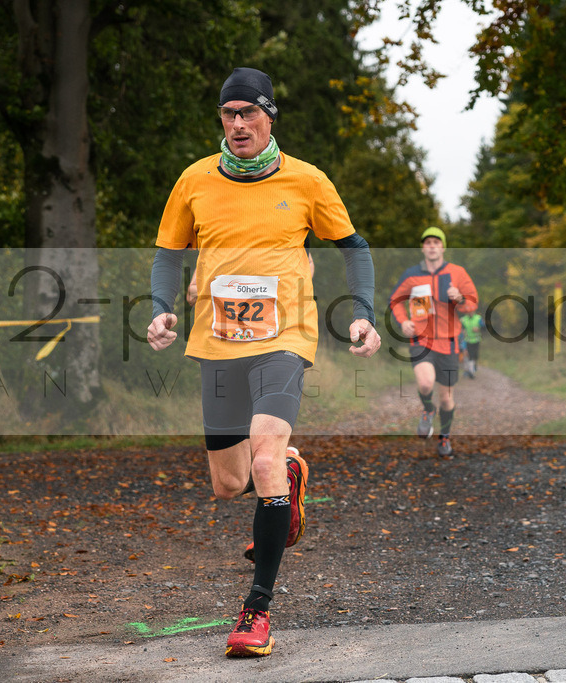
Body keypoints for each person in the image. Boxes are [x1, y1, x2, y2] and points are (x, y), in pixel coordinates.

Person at [147, 67, 381, 658]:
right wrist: (161, 309)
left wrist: (362, 313)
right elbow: (168, 253)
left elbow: (353, 248)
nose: (238, 124)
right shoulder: (195, 180)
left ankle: (256, 612)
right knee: (229, 484)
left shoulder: (307, 180)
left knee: (265, 456)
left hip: (286, 338)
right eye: (229, 114)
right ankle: (290, 476)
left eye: (249, 113)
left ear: (269, 117)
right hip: (218, 343)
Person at [388, 226, 478, 457]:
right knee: (426, 384)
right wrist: (403, 321)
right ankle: (428, 409)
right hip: (421, 339)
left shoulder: (457, 272)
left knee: (447, 398)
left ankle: (445, 437)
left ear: (443, 247)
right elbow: (396, 300)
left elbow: (472, 303)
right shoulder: (411, 275)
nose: (432, 246)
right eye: (428, 242)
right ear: (422, 247)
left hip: (449, 342)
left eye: (436, 242)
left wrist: (459, 298)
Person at [460, 309, 483, 378]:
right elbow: (460, 329)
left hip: (476, 341)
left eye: (472, 310)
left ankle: (472, 367)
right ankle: (471, 372)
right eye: (469, 310)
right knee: (469, 355)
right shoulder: (463, 319)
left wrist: (479, 329)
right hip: (467, 341)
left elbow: (485, 328)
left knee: (475, 356)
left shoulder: (478, 318)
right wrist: (462, 332)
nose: (470, 312)